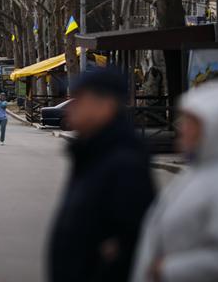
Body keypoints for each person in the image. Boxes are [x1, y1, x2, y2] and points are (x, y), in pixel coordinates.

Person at [131, 80, 218, 282]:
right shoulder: (201, 172)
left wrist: (168, 270)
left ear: (216, 128)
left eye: (192, 122)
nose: (182, 129)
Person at [48, 67, 154, 282]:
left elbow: (130, 243)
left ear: (105, 105)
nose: (70, 107)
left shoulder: (124, 164)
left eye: (79, 99)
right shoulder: (92, 153)